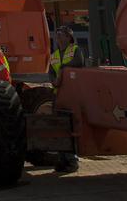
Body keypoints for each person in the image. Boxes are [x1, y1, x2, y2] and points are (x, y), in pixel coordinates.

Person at [49, 25, 84, 174]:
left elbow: (79, 63)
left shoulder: (75, 50)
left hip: (73, 95)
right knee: (60, 127)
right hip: (59, 95)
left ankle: (72, 160)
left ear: (69, 37)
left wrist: (64, 68)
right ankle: (63, 159)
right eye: (57, 35)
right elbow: (50, 72)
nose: (58, 38)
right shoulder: (55, 55)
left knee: (71, 127)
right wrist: (53, 81)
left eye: (61, 35)